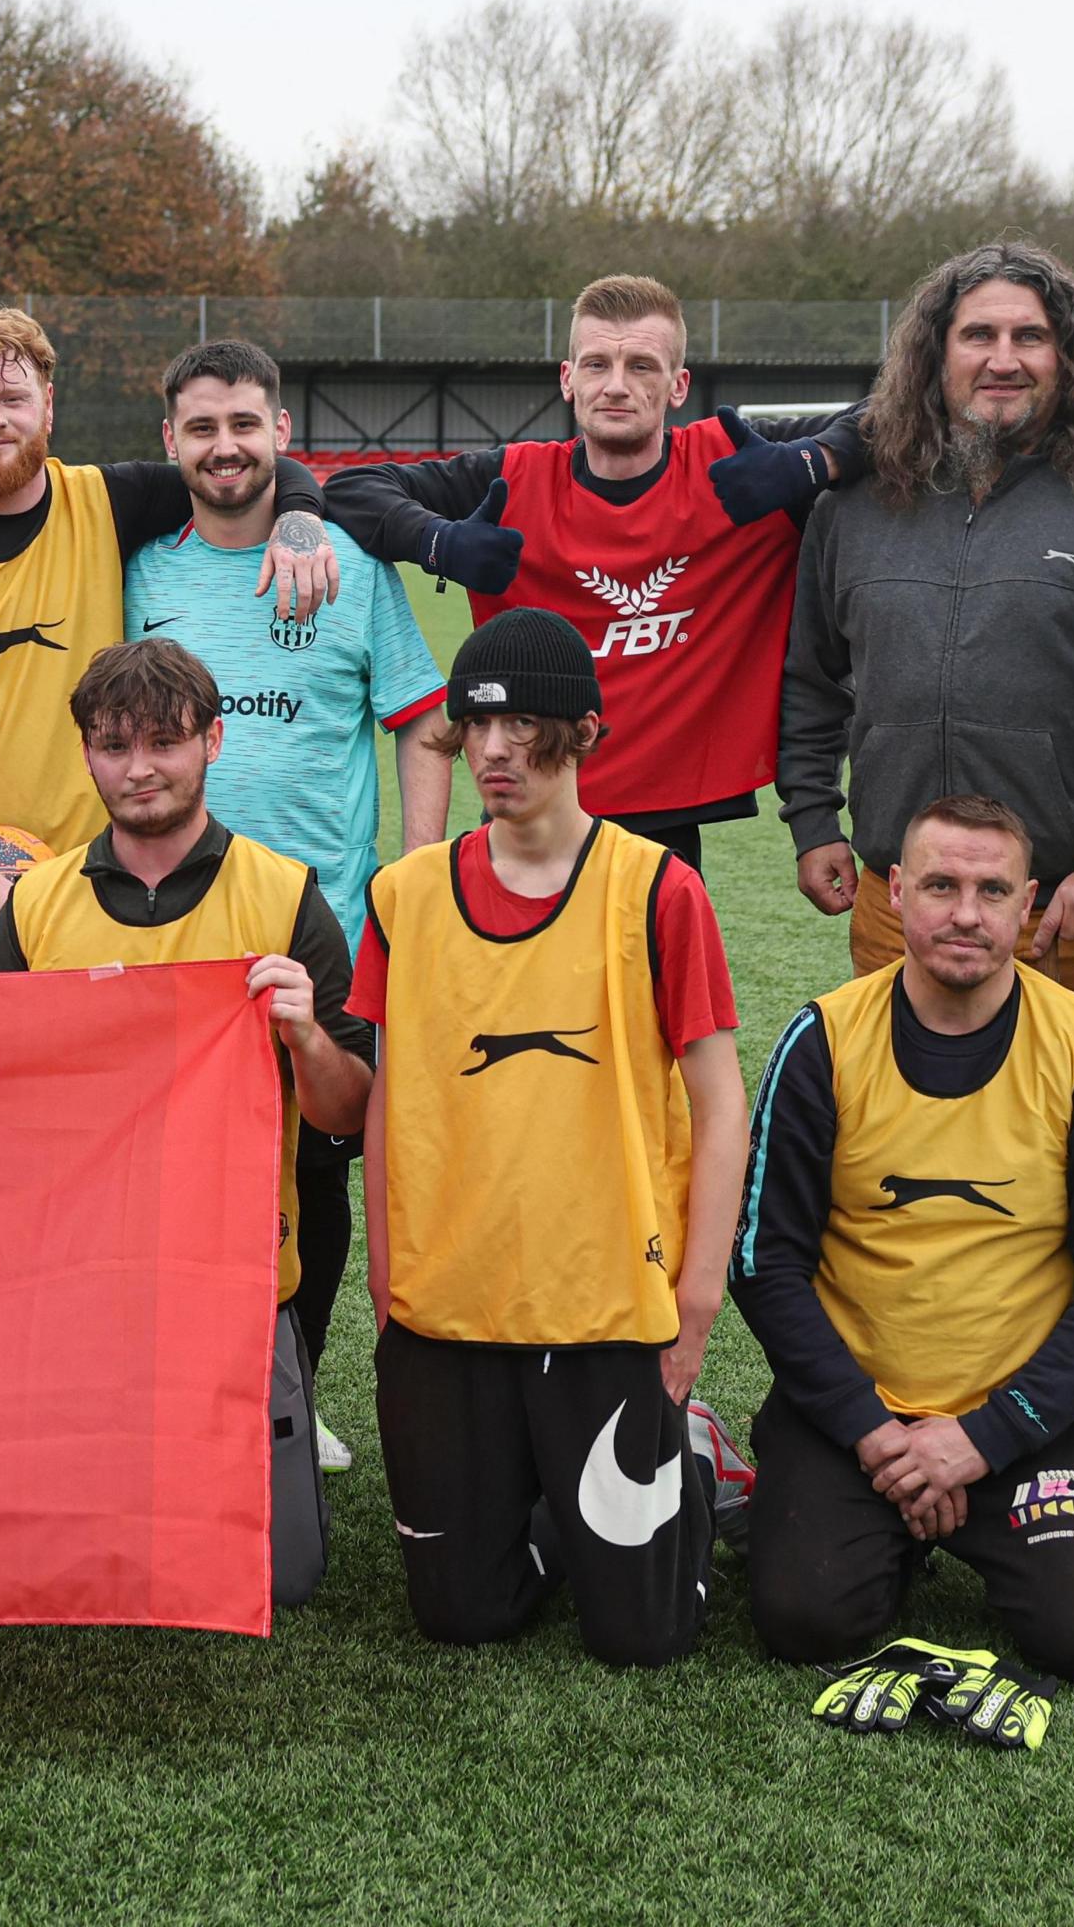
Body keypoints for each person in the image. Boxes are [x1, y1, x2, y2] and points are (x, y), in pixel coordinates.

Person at [774, 240, 1074, 1517]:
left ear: (1067, 359)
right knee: (892, 1171)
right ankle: (890, 1425)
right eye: (979, 336)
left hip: (1071, 914)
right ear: (935, 354)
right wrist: (814, 811)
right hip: (898, 912)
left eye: (1030, 337)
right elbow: (811, 676)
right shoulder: (857, 508)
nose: (1004, 359)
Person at [351, 609, 747, 1665]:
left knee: (646, 1636)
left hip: (607, 1299)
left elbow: (720, 1104)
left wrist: (695, 1302)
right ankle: (537, 1491)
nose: (493, 751)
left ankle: (693, 1453)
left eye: (522, 725)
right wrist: (391, 1286)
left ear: (580, 733)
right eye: (473, 727)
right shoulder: (404, 897)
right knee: (459, 1617)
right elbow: (390, 1098)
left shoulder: (658, 888)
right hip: (450, 1303)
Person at [0, 640, 371, 1608]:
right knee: (50, 1561)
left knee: (285, 1579)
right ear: (87, 756)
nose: (139, 767)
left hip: (230, 1283)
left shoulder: (281, 896)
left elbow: (348, 1113)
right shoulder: (40, 907)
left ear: (213, 742)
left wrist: (309, 1037)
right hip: (74, 1281)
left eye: (163, 741)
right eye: (112, 745)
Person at [732, 794, 1074, 1688]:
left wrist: (986, 1438)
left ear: (1027, 904)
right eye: (940, 885)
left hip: (1014, 1418)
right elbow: (764, 1264)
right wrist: (874, 1433)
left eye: (992, 889)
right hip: (852, 1419)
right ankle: (857, 1512)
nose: (966, 912)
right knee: (806, 1619)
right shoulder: (824, 1038)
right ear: (897, 893)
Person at [121, 338, 450, 1468]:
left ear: (278, 437)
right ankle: (178, 1383)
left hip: (328, 929)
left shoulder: (350, 566)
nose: (225, 448)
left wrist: (416, 880)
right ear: (170, 443)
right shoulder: (141, 575)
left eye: (245, 426)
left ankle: (292, 1393)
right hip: (168, 932)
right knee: (178, 1172)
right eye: (202, 428)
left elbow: (418, 716)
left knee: (317, 1164)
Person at [320, 273, 872, 870]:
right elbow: (353, 489)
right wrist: (440, 543)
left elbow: (898, 413)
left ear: (678, 385)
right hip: (527, 805)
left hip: (667, 827)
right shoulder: (514, 478)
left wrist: (813, 462)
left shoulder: (738, 464)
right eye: (596, 364)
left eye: (641, 366)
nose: (616, 386)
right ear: (567, 378)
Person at [0, 307, 338, 975]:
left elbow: (240, 469)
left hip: (75, 878)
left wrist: (298, 519)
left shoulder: (106, 499)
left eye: (13, 398)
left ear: (48, 407)